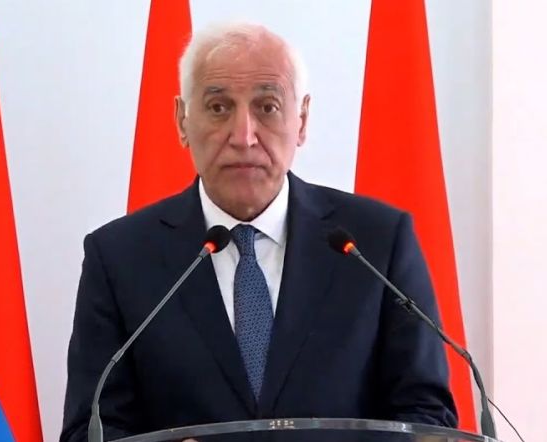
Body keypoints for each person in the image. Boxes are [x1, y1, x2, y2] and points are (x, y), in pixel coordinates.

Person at [60, 22, 457, 442]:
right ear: (182, 120)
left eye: (267, 107)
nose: (243, 136)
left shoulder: (376, 243)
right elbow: (91, 429)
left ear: (301, 120)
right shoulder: (119, 257)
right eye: (219, 108)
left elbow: (427, 418)